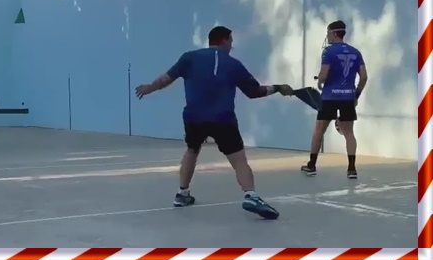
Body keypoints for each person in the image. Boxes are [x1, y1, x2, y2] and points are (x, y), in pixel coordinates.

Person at [135, 25, 293, 220]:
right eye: (231, 41)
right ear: (224, 40)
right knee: (239, 160)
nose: (232, 46)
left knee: (192, 151)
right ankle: (251, 196)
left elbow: (165, 79)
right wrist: (277, 88)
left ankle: (182, 194)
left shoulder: (189, 58)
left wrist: (149, 88)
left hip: (193, 117)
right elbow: (254, 92)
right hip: (223, 118)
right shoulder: (233, 64)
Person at [301, 20, 367, 179]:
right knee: (349, 133)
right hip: (348, 97)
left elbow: (323, 75)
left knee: (319, 130)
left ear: (334, 33)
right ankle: (351, 169)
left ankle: (312, 165)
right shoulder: (356, 52)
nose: (327, 36)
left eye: (328, 33)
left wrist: (319, 81)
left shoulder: (328, 52)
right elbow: (364, 77)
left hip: (329, 97)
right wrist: (356, 95)